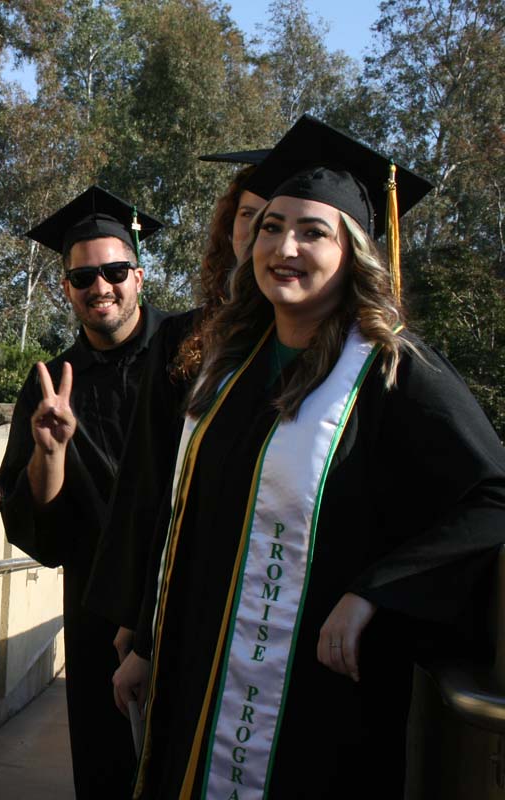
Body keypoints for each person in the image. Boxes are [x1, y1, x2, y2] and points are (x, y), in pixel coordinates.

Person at [117, 115, 505, 798]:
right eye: (271, 226)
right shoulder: (230, 365)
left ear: (354, 251)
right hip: (197, 671)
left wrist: (375, 591)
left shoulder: (391, 368)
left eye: (312, 232)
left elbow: (492, 494)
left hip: (316, 700)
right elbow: (185, 516)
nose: (284, 247)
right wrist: (149, 643)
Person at [0, 186, 170, 798]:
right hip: (97, 608)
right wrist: (50, 452)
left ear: (138, 276)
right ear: (66, 288)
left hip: (186, 589)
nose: (101, 287)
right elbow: (39, 525)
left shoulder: (191, 356)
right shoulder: (49, 386)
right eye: (83, 277)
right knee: (107, 768)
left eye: (115, 271)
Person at [85, 150, 269, 669]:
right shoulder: (182, 340)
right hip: (188, 599)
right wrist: (139, 618)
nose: (268, 234)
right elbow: (148, 486)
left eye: (284, 218)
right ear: (228, 228)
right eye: (250, 215)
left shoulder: (361, 357)